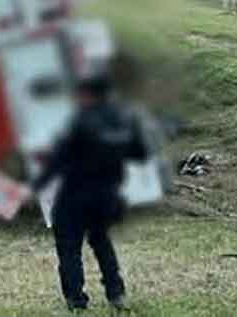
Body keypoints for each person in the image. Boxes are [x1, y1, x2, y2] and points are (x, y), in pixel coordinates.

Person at [28, 73, 149, 312]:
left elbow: (58, 160)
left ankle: (76, 299)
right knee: (101, 241)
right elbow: (140, 154)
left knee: (69, 248)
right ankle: (116, 292)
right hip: (106, 196)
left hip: (74, 195)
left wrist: (35, 187)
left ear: (87, 94)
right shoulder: (124, 120)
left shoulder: (82, 121)